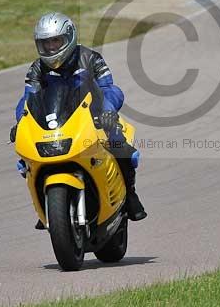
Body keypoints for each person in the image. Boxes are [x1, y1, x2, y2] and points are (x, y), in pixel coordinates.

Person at [12, 12, 147, 221]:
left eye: (56, 41)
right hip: (58, 122)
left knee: (121, 146)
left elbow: (110, 89)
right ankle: (46, 202)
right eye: (46, 44)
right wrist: (21, 121)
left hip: (94, 117)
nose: (51, 48)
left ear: (69, 37)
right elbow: (27, 99)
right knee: (25, 159)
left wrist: (108, 110)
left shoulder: (91, 58)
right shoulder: (37, 68)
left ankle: (130, 195)